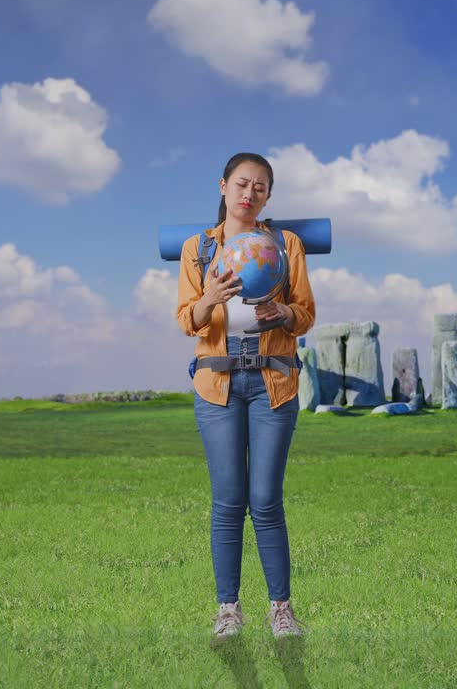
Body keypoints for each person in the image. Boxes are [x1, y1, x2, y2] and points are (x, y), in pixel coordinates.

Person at [175, 152, 316, 644]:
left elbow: (306, 313)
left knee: (266, 500)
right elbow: (186, 320)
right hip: (217, 386)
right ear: (223, 186)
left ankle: (282, 611)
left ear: (268, 195)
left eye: (259, 186)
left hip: (273, 383)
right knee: (229, 501)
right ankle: (228, 611)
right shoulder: (198, 249)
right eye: (241, 183)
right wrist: (210, 299)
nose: (248, 193)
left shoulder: (286, 245)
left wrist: (284, 313)